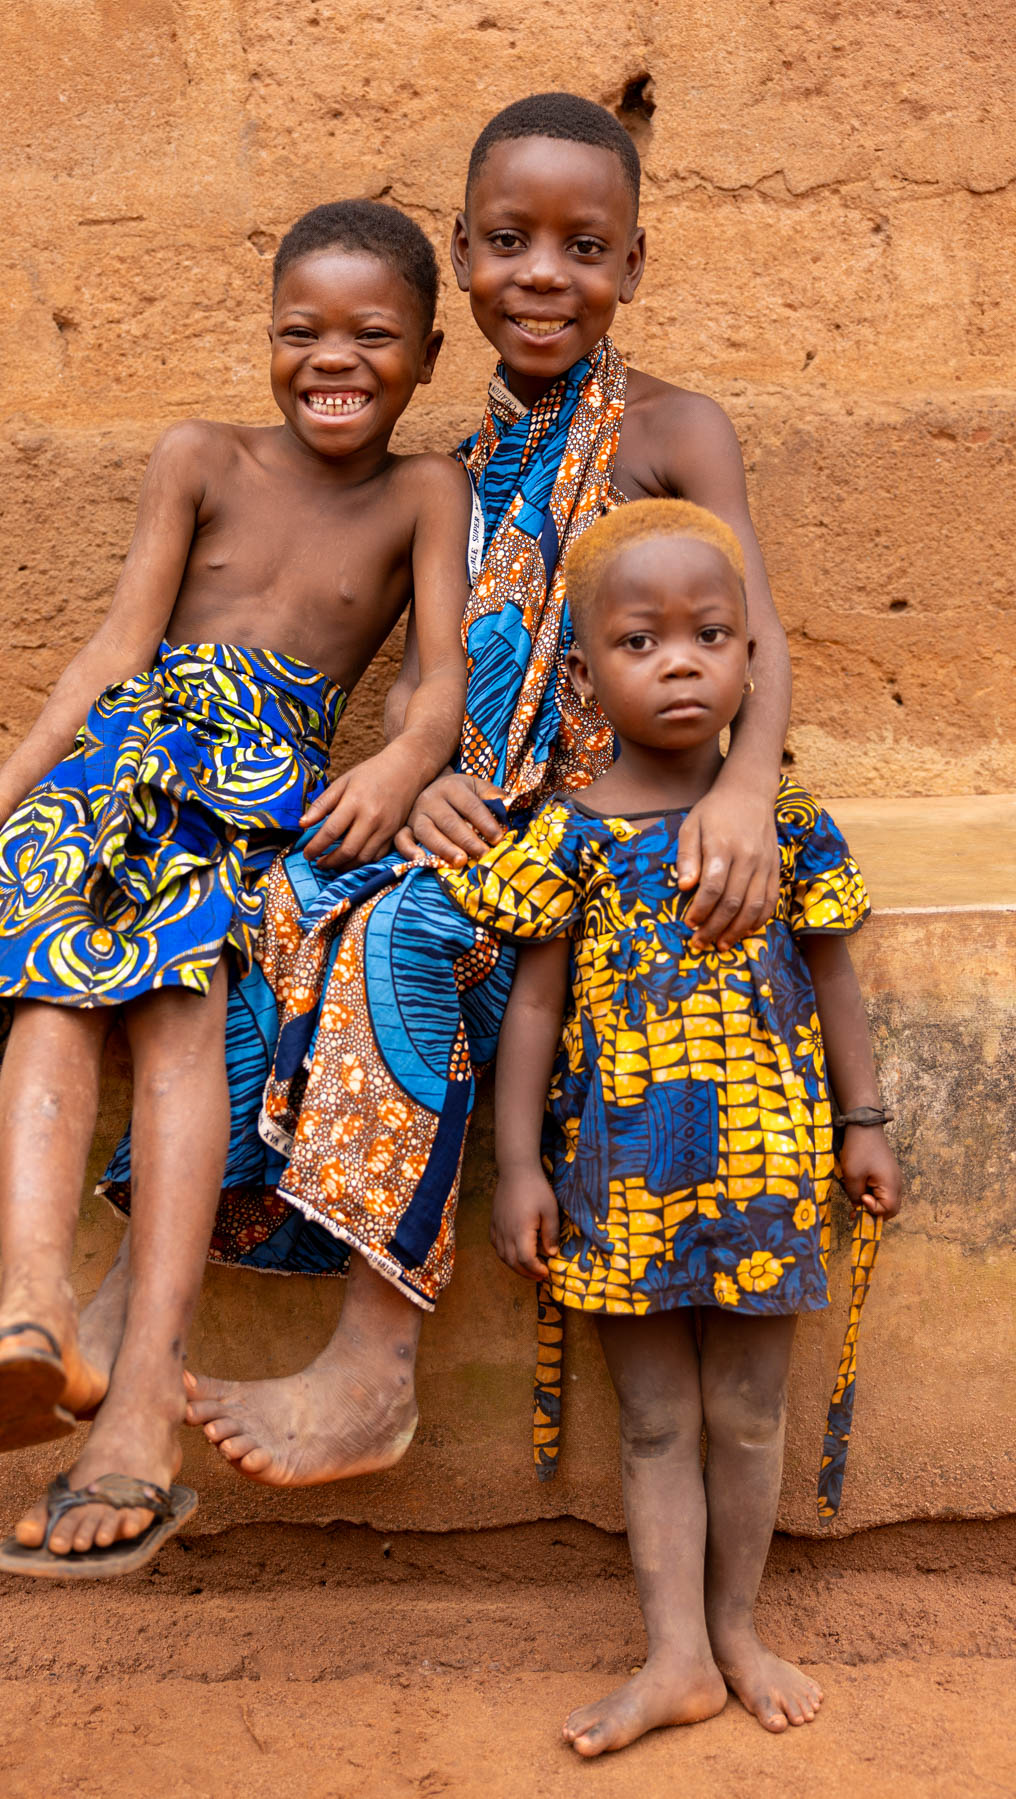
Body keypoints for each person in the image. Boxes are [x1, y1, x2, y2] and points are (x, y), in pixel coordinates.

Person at [96, 90, 796, 1486]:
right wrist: (420, 785)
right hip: (492, 824)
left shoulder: (674, 430)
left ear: (634, 265)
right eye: (507, 242)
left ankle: (376, 1356)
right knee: (280, 896)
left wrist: (743, 792)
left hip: (624, 833)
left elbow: (758, 633)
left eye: (584, 247)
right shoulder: (461, 471)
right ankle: (138, 1287)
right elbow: (445, 691)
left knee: (414, 939)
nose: (544, 275)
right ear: (462, 259)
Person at [0, 200, 471, 1576]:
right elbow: (115, 642)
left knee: (177, 1010)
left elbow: (438, 681)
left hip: (256, 794)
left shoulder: (425, 495)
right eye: (302, 331)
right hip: (118, 770)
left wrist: (404, 762)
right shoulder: (200, 456)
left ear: (426, 353)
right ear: (267, 338)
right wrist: (1, 789)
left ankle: (143, 1395)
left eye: (371, 336)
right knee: (52, 988)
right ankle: (34, 1304)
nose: (331, 359)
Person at [436, 498, 901, 1755]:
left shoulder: (789, 824)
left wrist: (864, 1120)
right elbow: (529, 1005)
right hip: (615, 1181)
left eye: (710, 634)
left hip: (767, 1167)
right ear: (584, 671)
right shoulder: (569, 834)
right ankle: (676, 1655)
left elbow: (837, 975)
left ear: (753, 655)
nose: (682, 660)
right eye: (642, 641)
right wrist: (520, 1166)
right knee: (652, 1420)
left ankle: (739, 1627)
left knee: (750, 1413)